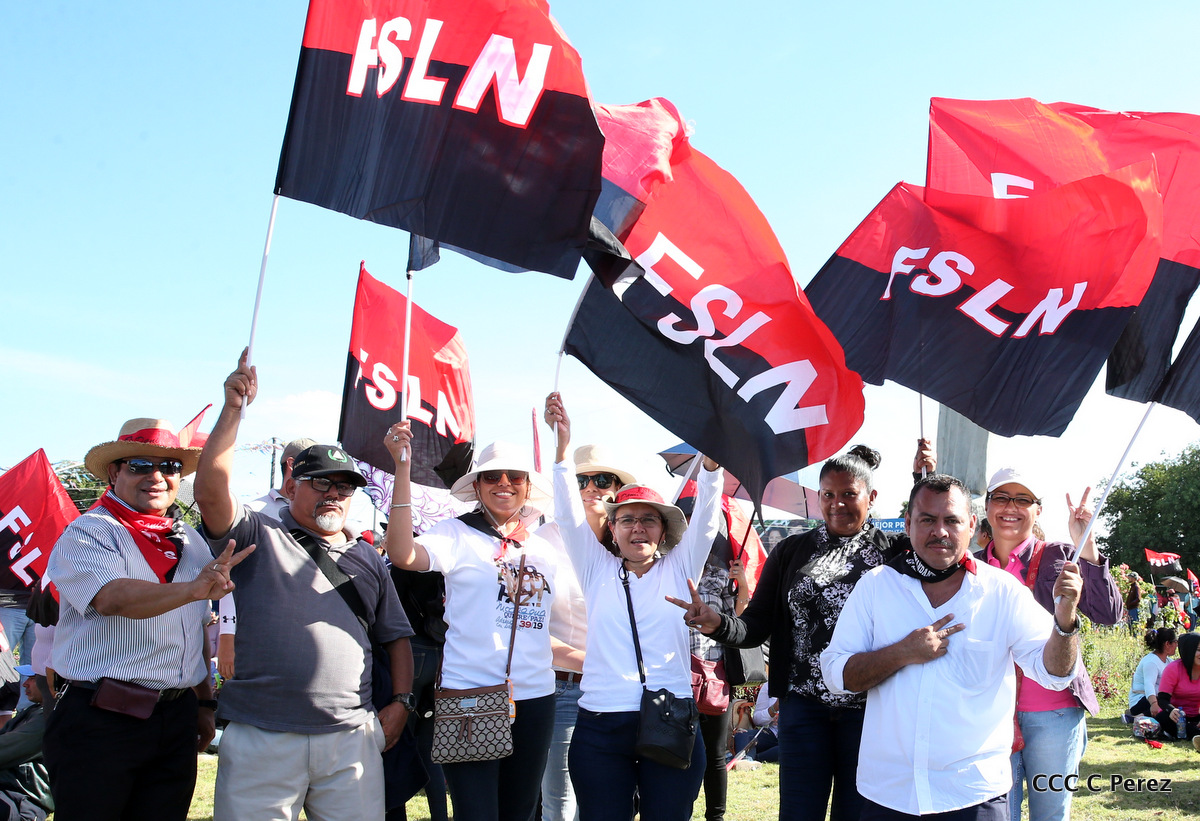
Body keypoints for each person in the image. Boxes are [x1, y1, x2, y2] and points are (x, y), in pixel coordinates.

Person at [195, 351, 415, 821]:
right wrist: (232, 411)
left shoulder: (366, 557)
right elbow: (211, 492)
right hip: (262, 736)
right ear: (292, 486)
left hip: (351, 738)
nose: (334, 493)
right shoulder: (256, 534)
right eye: (320, 483)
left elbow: (395, 637)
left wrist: (401, 702)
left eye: (344, 487)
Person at [671, 440, 935, 821]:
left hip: (871, 711)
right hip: (803, 709)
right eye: (828, 494)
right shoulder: (790, 552)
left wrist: (921, 478)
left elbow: (933, 532)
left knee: (858, 814)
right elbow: (755, 624)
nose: (837, 503)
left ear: (872, 497)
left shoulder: (894, 553)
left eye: (849, 494)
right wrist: (719, 624)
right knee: (798, 813)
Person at [819, 474, 1082, 820]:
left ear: (971, 524)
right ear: (908, 523)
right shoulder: (877, 587)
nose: (939, 531)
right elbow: (836, 675)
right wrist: (902, 652)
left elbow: (1055, 674)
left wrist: (1064, 620)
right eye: (927, 519)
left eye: (952, 520)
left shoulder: (1002, 592)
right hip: (889, 793)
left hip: (974, 794)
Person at [44, 417, 243, 821]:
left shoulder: (189, 540)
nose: (156, 476)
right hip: (101, 718)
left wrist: (204, 702)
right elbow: (112, 598)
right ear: (114, 473)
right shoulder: (89, 532)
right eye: (139, 465)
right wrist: (192, 590)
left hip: (176, 716)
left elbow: (191, 631)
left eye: (169, 467)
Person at [546, 392, 723, 821]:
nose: (638, 527)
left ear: (664, 530)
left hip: (670, 718)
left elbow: (706, 522)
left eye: (649, 519)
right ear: (613, 528)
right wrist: (562, 450)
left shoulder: (680, 566)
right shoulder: (595, 567)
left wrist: (712, 467)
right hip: (601, 725)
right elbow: (568, 516)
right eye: (627, 519)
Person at [384, 422, 559, 821]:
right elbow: (402, 554)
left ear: (527, 487)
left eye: (515, 477)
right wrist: (402, 469)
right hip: (469, 695)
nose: (504, 483)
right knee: (475, 812)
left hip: (535, 698)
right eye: (492, 476)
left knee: (521, 812)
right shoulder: (456, 533)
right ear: (477, 486)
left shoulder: (544, 548)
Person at [978, 468, 1121, 821]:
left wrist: (1087, 547)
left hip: (1054, 715)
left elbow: (1109, 613)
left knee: (1051, 815)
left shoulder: (1061, 555)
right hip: (989, 716)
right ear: (987, 506)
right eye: (1001, 497)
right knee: (996, 814)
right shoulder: (971, 566)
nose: (1010, 507)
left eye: (1023, 499)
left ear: (1038, 510)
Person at [536, 443, 636, 821]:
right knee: (560, 806)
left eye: (602, 479)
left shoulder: (632, 545)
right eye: (581, 480)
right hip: (563, 688)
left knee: (606, 804)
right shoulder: (543, 541)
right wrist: (590, 661)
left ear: (616, 489)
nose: (592, 488)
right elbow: (528, 628)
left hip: (620, 692)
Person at [0, 671, 53, 820]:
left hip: (20, 801)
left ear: (51, 680)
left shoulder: (47, 719)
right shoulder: (36, 710)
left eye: (33, 678)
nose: (25, 684)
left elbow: (5, 749)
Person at [1156, 631, 1200, 746]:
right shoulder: (1173, 669)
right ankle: (1195, 736)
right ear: (1189, 650)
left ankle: (1196, 735)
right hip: (1176, 716)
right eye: (1198, 650)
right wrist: (1171, 710)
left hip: (1196, 716)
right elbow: (1162, 699)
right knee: (1163, 718)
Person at [1128, 628, 1177, 720]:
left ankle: (1140, 716)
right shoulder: (1151, 662)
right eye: (1175, 642)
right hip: (1143, 700)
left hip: (1156, 699)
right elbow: (1149, 685)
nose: (1176, 645)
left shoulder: (1169, 661)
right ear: (1167, 644)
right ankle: (1136, 717)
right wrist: (1154, 704)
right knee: (1163, 703)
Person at [732, 685, 780, 763]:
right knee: (742, 735)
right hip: (773, 735)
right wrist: (773, 710)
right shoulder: (768, 685)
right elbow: (757, 720)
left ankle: (755, 758)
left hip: (794, 738)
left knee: (793, 748)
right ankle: (747, 761)